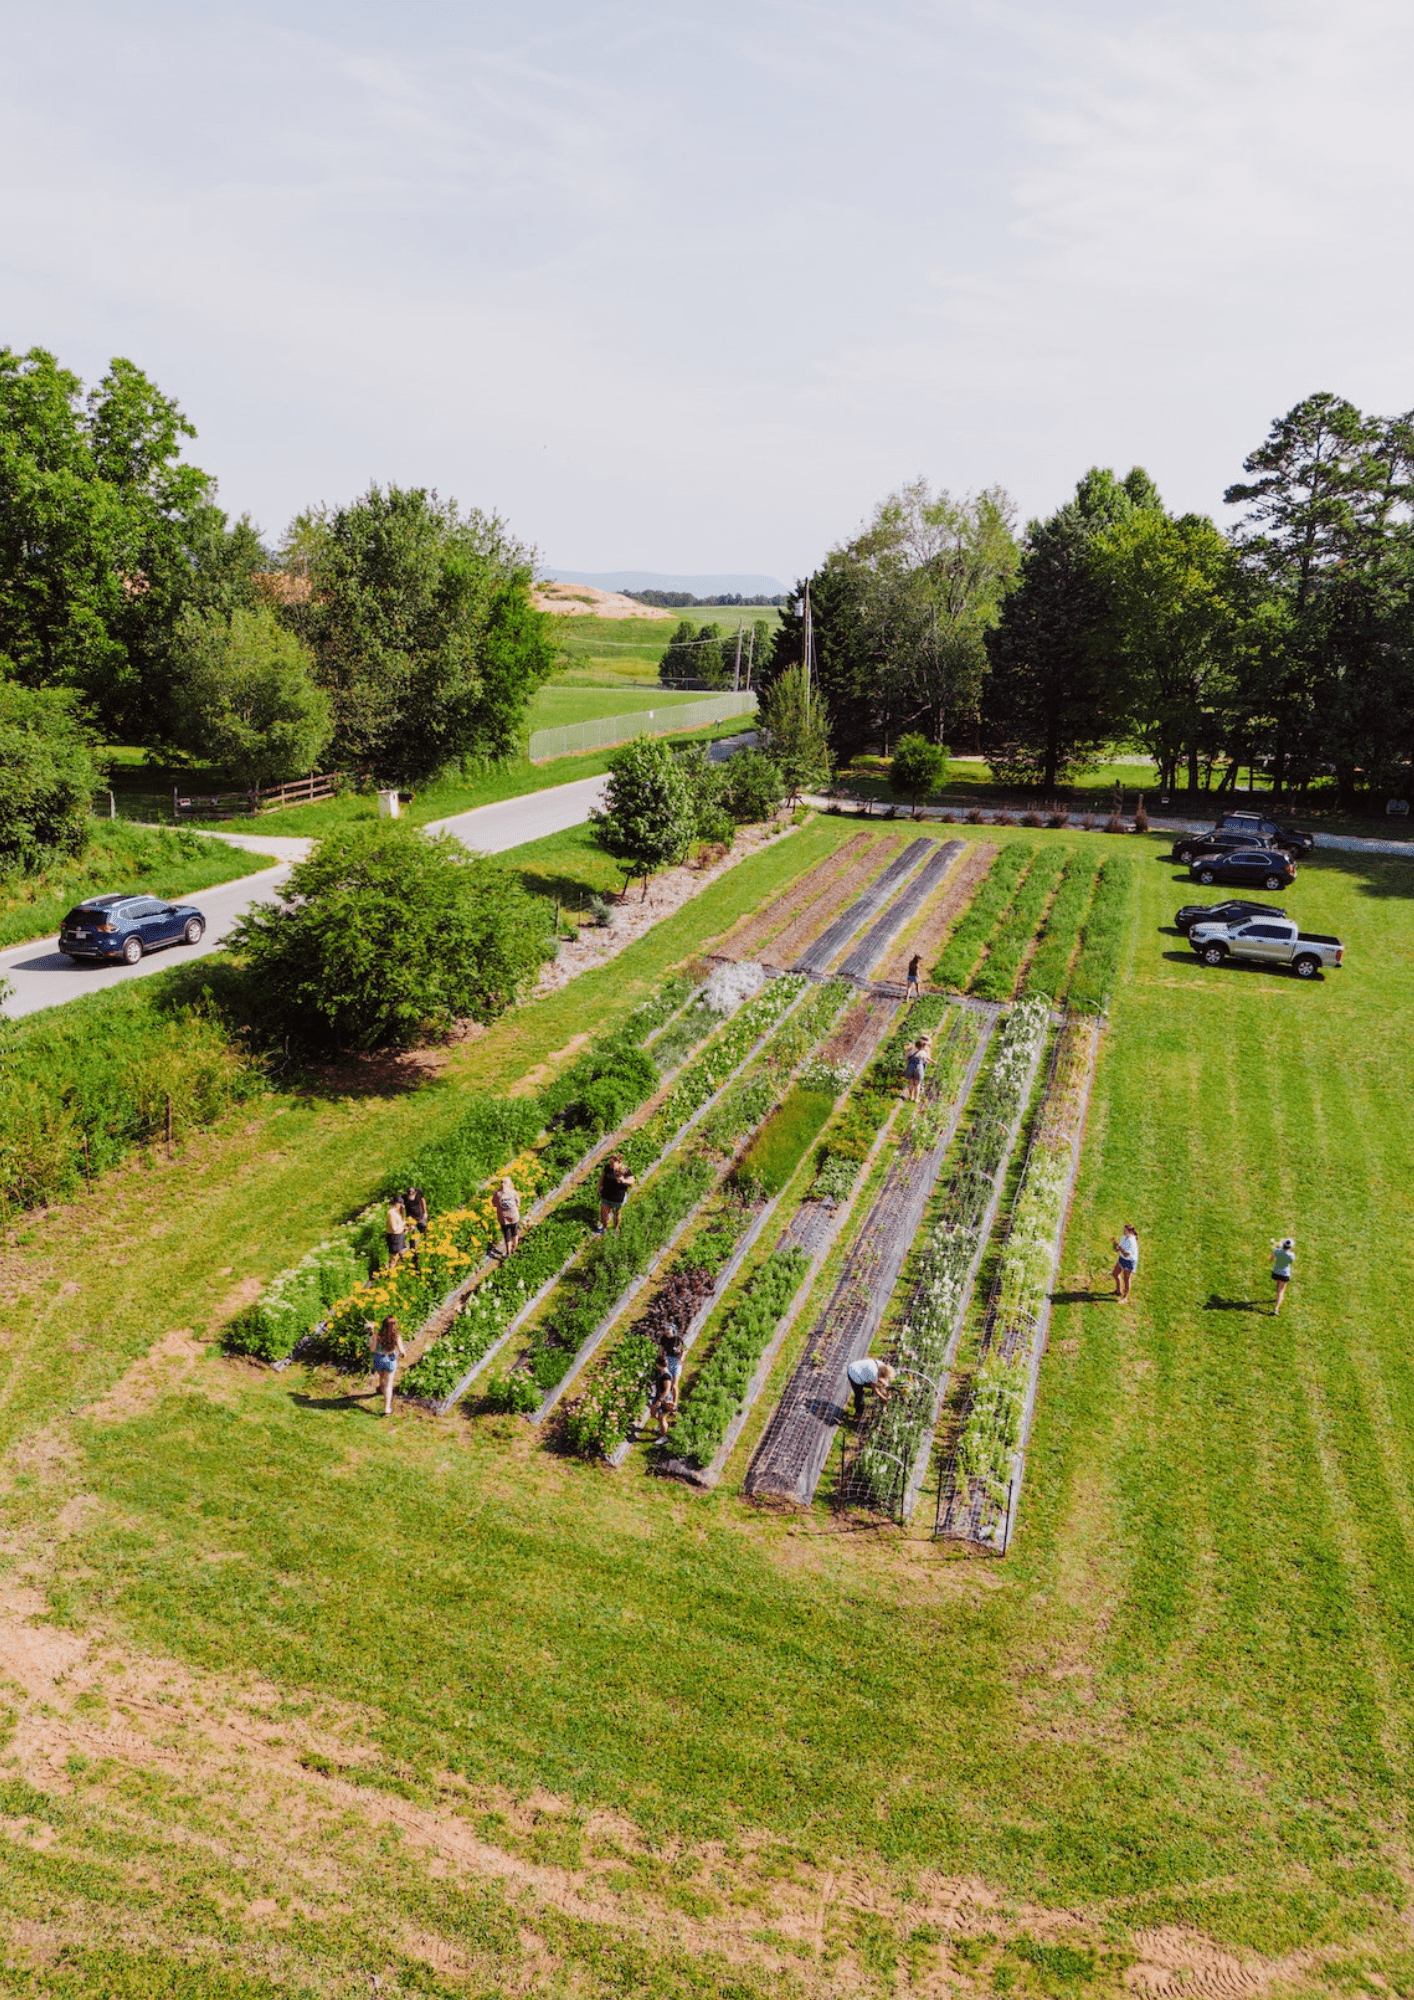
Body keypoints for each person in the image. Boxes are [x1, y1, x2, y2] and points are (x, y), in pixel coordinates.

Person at [368, 1315, 406, 1416]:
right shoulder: (397, 1336)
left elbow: (372, 1349)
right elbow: (402, 1351)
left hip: (379, 1359)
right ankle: (387, 1409)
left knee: (381, 1376)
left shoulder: (378, 1335)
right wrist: (402, 1353)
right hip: (390, 1359)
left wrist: (371, 1333)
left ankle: (381, 1388)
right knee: (389, 1385)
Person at [845, 1355, 896, 1422]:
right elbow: (875, 1390)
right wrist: (884, 1398)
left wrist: (885, 1387)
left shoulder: (881, 1365)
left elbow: (880, 1380)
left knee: (877, 1384)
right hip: (854, 1373)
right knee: (859, 1395)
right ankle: (858, 1415)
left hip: (858, 1367)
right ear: (883, 1374)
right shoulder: (874, 1373)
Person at [597, 1154, 635, 1234]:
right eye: (610, 1162)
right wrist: (599, 1187)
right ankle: (604, 1228)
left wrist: (624, 1180)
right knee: (603, 1212)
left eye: (612, 1162)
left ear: (619, 1162)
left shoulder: (625, 1171)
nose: (610, 1164)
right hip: (606, 1194)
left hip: (618, 1197)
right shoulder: (608, 1168)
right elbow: (602, 1177)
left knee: (617, 1213)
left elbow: (632, 1182)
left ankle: (616, 1229)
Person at [493, 1177, 521, 1256]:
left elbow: (494, 1204)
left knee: (507, 1235)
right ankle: (514, 1249)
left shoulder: (497, 1194)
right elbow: (518, 1204)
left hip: (503, 1218)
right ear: (509, 1184)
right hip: (514, 1216)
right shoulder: (513, 1192)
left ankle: (508, 1253)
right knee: (514, 1232)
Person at [1111, 1222, 1139, 1300]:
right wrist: (1117, 1247)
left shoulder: (1132, 1241)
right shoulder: (1123, 1237)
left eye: (1125, 1230)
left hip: (1130, 1261)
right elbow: (1121, 1247)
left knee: (1126, 1279)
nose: (1123, 1232)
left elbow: (1127, 1254)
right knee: (1115, 1273)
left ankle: (1125, 1297)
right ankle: (1118, 1290)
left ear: (1130, 1232)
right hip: (1122, 1258)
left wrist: (1120, 1248)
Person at [903, 1031, 933, 1103]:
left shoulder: (912, 1049)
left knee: (910, 1083)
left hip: (910, 1066)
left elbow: (906, 1058)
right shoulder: (925, 1050)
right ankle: (916, 1099)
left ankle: (911, 1097)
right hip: (920, 1066)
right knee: (917, 1084)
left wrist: (910, 1063)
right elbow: (927, 1059)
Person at [1271, 1235, 1295, 1314]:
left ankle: (1278, 1298)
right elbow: (1291, 1262)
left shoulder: (1276, 1251)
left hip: (1276, 1272)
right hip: (1284, 1274)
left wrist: (1276, 1247)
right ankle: (1276, 1309)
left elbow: (1271, 1259)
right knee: (1281, 1291)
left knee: (1278, 1286)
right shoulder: (1291, 1255)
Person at [385, 1196, 407, 1266]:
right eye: (400, 1204)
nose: (401, 1206)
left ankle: (397, 1268)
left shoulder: (396, 1212)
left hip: (399, 1235)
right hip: (394, 1237)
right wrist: (402, 1224)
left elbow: (401, 1220)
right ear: (396, 1203)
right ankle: (390, 1271)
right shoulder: (391, 1213)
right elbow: (394, 1228)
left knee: (400, 1254)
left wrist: (402, 1212)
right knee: (394, 1257)